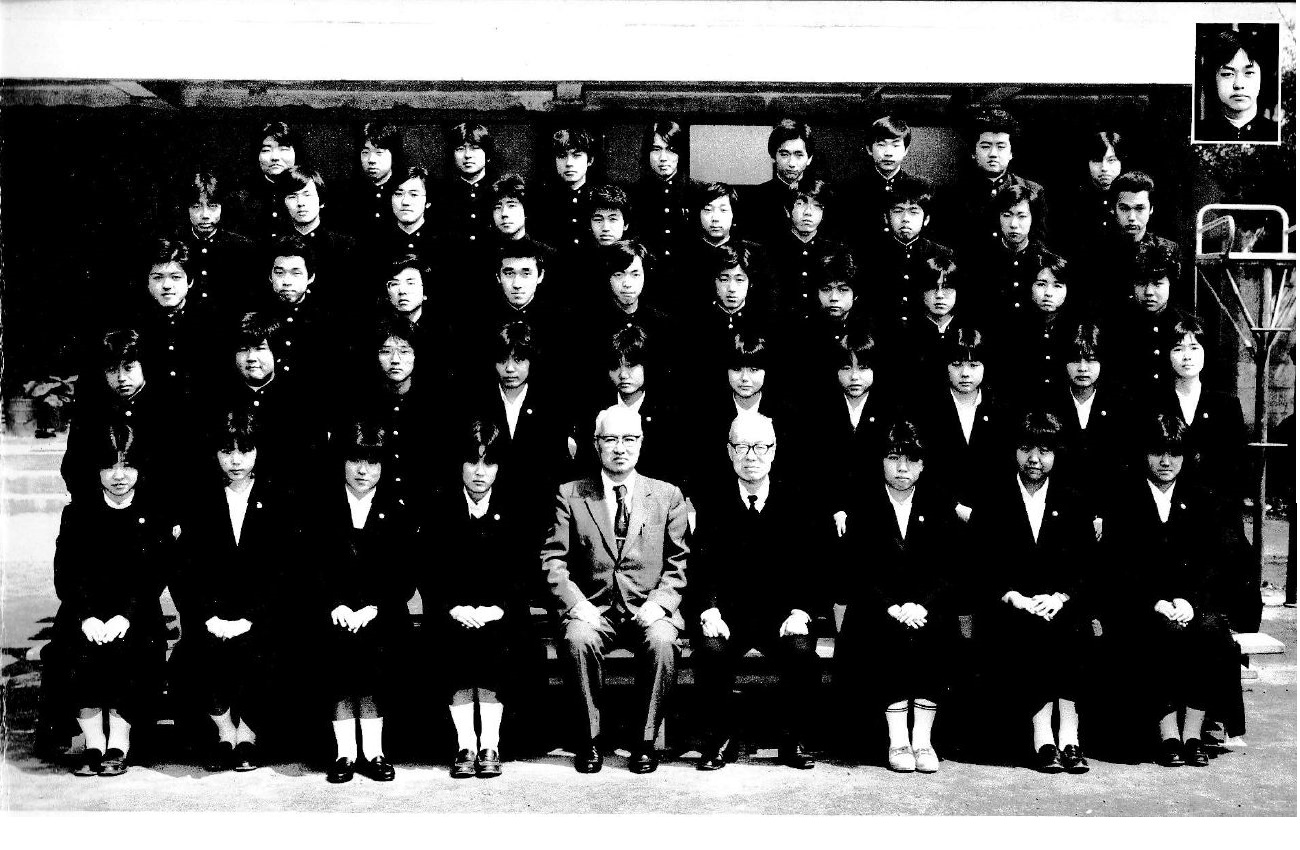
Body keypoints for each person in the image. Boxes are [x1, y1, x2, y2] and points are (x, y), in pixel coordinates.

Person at [541, 405, 689, 774]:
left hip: (647, 606)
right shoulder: (571, 494)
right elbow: (553, 559)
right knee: (577, 639)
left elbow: (679, 561)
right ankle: (589, 740)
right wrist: (576, 603)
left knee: (663, 641)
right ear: (596, 444)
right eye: (610, 439)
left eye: (629, 439)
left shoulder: (667, 495)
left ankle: (644, 741)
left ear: (641, 442)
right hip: (593, 608)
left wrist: (661, 603)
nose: (620, 448)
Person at [1100, 413, 1246, 766]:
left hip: (1193, 601)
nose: (1165, 461)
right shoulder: (1124, 498)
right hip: (1141, 602)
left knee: (1210, 633)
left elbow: (1216, 562)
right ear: (1144, 454)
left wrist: (1190, 601)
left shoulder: (1203, 497)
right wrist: (1154, 601)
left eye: (1174, 453)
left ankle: (1193, 733)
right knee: (1156, 633)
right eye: (1157, 452)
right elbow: (1118, 564)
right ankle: (1168, 733)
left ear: (1186, 456)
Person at [691, 413, 823, 771]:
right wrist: (710, 610)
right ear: (729, 451)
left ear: (774, 450)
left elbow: (814, 564)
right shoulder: (713, 501)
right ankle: (720, 739)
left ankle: (792, 740)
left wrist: (801, 611)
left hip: (781, 615)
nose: (751, 456)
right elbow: (701, 565)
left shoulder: (798, 499)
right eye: (742, 447)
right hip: (729, 615)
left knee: (801, 651)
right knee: (710, 650)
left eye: (761, 447)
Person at [968, 411, 1096, 773]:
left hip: (1061, 605)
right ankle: (1044, 738)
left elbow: (1088, 565)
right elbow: (978, 564)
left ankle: (1069, 736)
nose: (1034, 459)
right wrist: (1014, 596)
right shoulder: (994, 498)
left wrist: (1060, 597)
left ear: (1056, 454)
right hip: (1010, 607)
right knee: (1032, 631)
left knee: (1071, 632)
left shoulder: (1072, 499)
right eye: (1026, 449)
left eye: (1044, 450)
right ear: (1014, 452)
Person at [171, 410, 292, 772]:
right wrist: (208, 617)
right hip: (211, 613)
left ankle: (249, 734)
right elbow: (184, 570)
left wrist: (251, 618)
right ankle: (223, 731)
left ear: (258, 452)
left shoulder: (279, 497)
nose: (236, 460)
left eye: (245, 450)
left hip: (261, 614)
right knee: (198, 653)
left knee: (266, 651)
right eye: (227, 451)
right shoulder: (198, 498)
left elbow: (285, 570)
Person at [48, 423, 170, 777]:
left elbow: (154, 575)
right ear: (96, 470)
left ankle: (119, 741)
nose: (119, 476)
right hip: (85, 611)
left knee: (131, 650)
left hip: (136, 612)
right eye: (109, 466)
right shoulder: (78, 514)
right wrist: (86, 616)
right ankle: (93, 742)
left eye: (127, 466)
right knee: (73, 649)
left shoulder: (153, 513)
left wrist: (125, 616)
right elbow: (66, 573)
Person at [835, 419, 956, 773]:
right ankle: (898, 739)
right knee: (888, 635)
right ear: (881, 461)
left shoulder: (939, 505)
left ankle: (923, 739)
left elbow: (949, 570)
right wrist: (891, 606)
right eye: (893, 458)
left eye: (911, 459)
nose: (902, 468)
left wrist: (922, 605)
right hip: (877, 610)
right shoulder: (863, 506)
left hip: (925, 609)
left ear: (923, 464)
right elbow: (856, 571)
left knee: (935, 632)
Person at [422, 419, 533, 779]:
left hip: (501, 613)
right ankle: (465, 744)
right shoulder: (439, 506)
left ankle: (490, 744)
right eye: (472, 462)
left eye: (489, 463)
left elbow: (524, 569)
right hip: (452, 612)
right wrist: (453, 607)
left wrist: (498, 608)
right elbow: (429, 569)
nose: (480, 472)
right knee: (453, 644)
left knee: (495, 645)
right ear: (460, 465)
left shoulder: (516, 508)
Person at [311, 422, 419, 784]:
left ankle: (374, 751)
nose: (363, 470)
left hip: (381, 613)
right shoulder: (322, 507)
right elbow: (310, 565)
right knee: (338, 662)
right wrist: (334, 604)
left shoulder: (397, 509)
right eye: (355, 460)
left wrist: (375, 607)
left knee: (374, 663)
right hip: (335, 613)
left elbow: (404, 573)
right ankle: (345, 752)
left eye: (372, 462)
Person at [932, 106, 1047, 257]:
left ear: (1011, 153)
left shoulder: (1032, 191)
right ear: (973, 152)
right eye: (986, 146)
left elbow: (1039, 244)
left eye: (1001, 147)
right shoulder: (952, 194)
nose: (993, 154)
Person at [869, 175, 954, 340]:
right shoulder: (872, 255)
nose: (905, 219)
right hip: (882, 338)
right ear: (886, 217)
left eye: (914, 212)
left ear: (926, 219)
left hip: (926, 339)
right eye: (898, 211)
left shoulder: (942, 254)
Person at [1090, 171, 1184, 319]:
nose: (1132, 217)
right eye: (1124, 208)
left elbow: (1177, 303)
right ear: (1113, 209)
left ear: (1151, 209)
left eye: (1140, 208)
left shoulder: (1168, 249)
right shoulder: (1097, 251)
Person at [171, 171, 259, 317]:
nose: (205, 215)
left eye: (212, 206)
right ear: (187, 208)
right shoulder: (175, 245)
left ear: (222, 207)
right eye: (196, 206)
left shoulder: (242, 247)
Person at [272, 166, 359, 314]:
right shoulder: (274, 246)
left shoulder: (343, 246)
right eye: (292, 196)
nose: (300, 203)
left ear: (321, 200)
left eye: (307, 195)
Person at [765, 179, 845, 319]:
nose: (808, 212)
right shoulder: (770, 250)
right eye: (800, 204)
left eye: (817, 205)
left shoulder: (835, 251)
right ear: (788, 210)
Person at [834, 114, 916, 246]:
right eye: (881, 144)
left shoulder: (916, 189)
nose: (888, 153)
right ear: (869, 149)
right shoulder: (849, 189)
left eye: (895, 145)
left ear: (906, 150)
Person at [628, 120, 692, 278]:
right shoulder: (634, 194)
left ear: (681, 154)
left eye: (671, 150)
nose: (663, 158)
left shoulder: (693, 192)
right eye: (656, 150)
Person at [1195, 28, 1280, 143]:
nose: (1239, 85)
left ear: (1262, 77)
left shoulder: (1276, 134)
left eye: (1249, 73)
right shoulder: (1198, 134)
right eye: (1227, 74)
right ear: (1213, 79)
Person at [745, 118, 818, 244]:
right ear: (773, 156)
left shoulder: (823, 197)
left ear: (809, 158)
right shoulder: (754, 198)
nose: (791, 163)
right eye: (784, 154)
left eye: (799, 155)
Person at [232, 120, 301, 244]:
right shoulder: (241, 197)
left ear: (296, 152)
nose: (275, 157)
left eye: (283, 149)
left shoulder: (311, 192)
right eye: (266, 150)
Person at [344, 121, 404, 238]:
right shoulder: (349, 191)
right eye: (365, 152)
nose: (371, 160)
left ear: (393, 155)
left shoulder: (404, 188)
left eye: (379, 152)